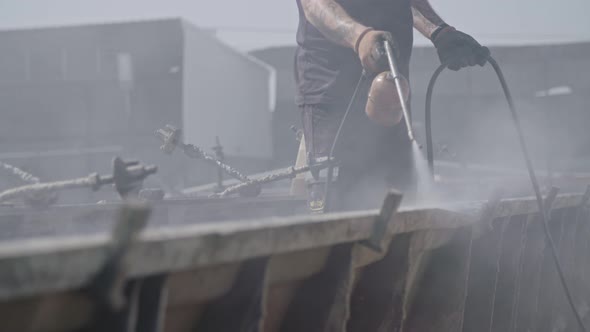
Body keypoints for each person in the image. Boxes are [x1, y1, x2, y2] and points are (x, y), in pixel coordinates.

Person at [295, 0, 490, 212]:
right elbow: (314, 5)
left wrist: (439, 31)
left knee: (400, 201)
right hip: (332, 96)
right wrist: (360, 38)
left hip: (392, 89)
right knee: (338, 208)